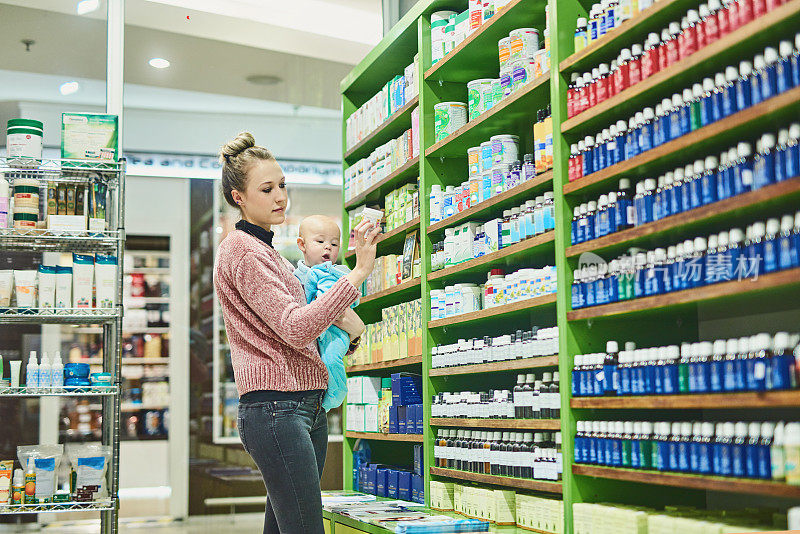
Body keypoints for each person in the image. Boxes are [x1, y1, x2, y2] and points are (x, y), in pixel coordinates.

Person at [213, 132, 379, 534]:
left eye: (282, 185)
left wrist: (352, 336)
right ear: (239, 197)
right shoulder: (242, 251)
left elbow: (309, 327)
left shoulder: (269, 252)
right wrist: (357, 273)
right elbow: (296, 327)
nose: (279, 197)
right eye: (267, 189)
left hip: (305, 406)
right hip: (277, 410)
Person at [293, 215, 355, 412]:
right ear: (302, 245)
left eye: (334, 243)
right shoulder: (294, 278)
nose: (328, 247)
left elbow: (353, 299)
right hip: (305, 353)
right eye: (320, 241)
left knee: (331, 359)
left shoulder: (340, 273)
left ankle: (335, 395)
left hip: (334, 333)